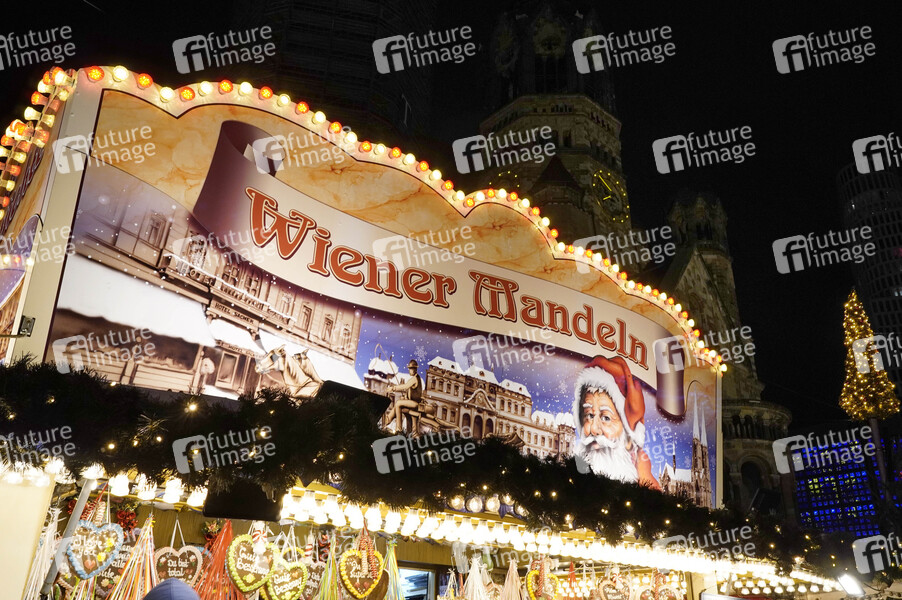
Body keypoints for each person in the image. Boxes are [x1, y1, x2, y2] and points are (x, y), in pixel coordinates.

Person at [572, 355, 661, 490]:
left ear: (627, 433)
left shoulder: (644, 485)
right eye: (589, 415)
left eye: (606, 418)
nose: (594, 429)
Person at [386, 359, 433, 432]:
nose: (409, 371)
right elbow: (411, 392)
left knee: (398, 403)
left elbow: (405, 386)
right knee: (397, 406)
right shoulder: (416, 378)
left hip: (415, 403)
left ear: (414, 370)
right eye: (409, 369)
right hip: (413, 402)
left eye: (410, 369)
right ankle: (387, 420)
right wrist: (406, 397)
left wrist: (393, 388)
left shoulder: (415, 378)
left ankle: (398, 429)